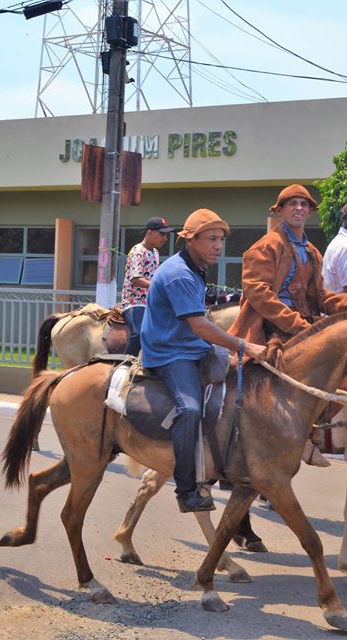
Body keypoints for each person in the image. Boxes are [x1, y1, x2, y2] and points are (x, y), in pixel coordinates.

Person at [228, 184, 347, 466]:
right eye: (292, 204)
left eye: (304, 205)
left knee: (338, 378)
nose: (299, 209)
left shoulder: (313, 252)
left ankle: (306, 435)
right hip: (268, 327)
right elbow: (258, 293)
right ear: (280, 211)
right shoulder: (265, 247)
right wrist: (298, 325)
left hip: (303, 326)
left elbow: (322, 295)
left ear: (310, 212)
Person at [142, 208, 266, 513]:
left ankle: (224, 464)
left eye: (221, 240)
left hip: (191, 346)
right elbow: (199, 325)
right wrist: (243, 344)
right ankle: (186, 489)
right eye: (211, 239)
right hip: (169, 352)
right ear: (191, 240)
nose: (217, 246)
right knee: (191, 408)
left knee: (236, 389)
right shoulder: (179, 273)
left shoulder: (196, 267)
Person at [121, 216, 173, 356]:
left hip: (150, 303)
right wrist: (159, 287)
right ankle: (124, 365)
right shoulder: (138, 251)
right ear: (149, 232)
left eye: (166, 235)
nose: (165, 238)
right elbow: (136, 279)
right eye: (162, 234)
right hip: (134, 303)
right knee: (138, 334)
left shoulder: (155, 252)